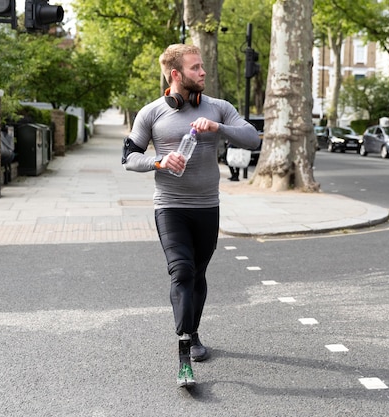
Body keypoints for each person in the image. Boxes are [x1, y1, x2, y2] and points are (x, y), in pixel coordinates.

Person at [122, 44, 261, 388]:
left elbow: (253, 138)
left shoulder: (218, 108)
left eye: (202, 66)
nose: (203, 72)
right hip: (170, 206)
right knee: (181, 271)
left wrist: (218, 128)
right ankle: (184, 350)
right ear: (175, 75)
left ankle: (194, 332)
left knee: (198, 274)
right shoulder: (152, 113)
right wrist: (159, 161)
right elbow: (129, 157)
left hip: (207, 207)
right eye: (195, 68)